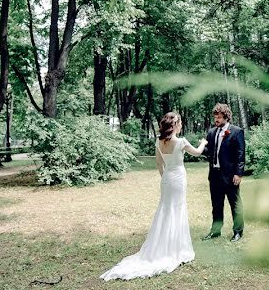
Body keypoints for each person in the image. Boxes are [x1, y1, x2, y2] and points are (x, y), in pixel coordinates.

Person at [100, 112, 207, 280]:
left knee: (165, 210)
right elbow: (198, 153)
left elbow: (159, 163)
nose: (181, 125)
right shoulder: (181, 142)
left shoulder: (159, 141)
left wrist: (165, 178)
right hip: (178, 179)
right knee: (177, 210)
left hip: (167, 179)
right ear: (175, 125)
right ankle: (176, 248)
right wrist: (203, 142)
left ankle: (165, 245)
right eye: (179, 123)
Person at [201, 103, 246, 242]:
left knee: (235, 204)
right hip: (214, 176)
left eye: (219, 117)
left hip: (230, 175)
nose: (217, 120)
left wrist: (238, 174)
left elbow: (241, 154)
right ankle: (215, 231)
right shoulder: (211, 132)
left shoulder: (237, 132)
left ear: (226, 117)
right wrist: (202, 147)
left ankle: (238, 232)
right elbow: (210, 153)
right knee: (216, 205)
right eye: (215, 117)